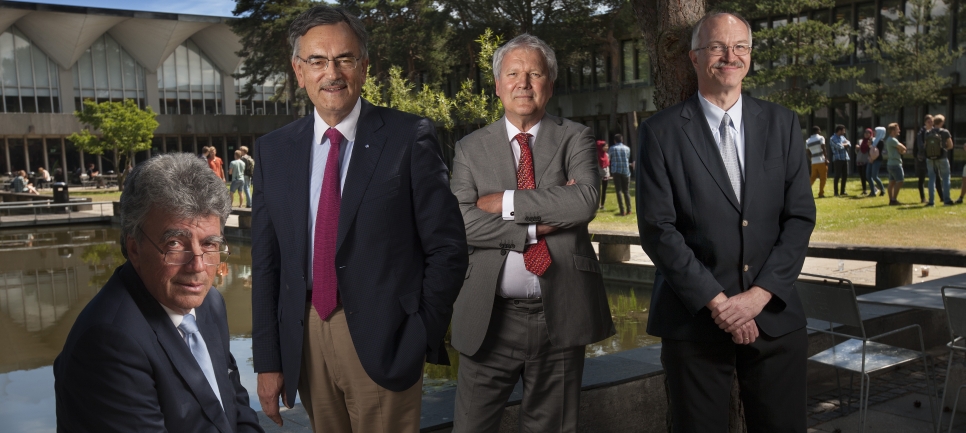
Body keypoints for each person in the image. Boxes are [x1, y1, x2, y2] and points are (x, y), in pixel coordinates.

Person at [251, 6, 467, 432]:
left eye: (344, 59)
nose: (331, 72)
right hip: (306, 335)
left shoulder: (410, 137)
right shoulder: (273, 151)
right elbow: (266, 262)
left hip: (385, 335)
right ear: (298, 70)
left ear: (364, 67)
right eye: (317, 60)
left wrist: (419, 333)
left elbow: (448, 248)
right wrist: (268, 360)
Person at [636, 12, 816, 433]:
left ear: (750, 56)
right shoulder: (659, 133)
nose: (730, 56)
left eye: (741, 47)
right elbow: (658, 230)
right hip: (694, 321)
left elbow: (800, 217)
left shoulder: (782, 123)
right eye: (717, 47)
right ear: (695, 58)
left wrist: (759, 295)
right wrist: (720, 304)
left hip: (775, 317)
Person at [449, 33, 614, 433]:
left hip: (560, 311)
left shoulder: (575, 136)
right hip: (490, 316)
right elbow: (460, 222)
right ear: (498, 86)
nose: (524, 83)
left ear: (550, 85)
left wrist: (503, 201)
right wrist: (535, 227)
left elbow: (584, 202)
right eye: (514, 74)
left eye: (535, 74)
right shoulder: (470, 148)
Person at [53, 153, 262, 433]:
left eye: (210, 244)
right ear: (135, 248)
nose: (197, 265)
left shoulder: (210, 302)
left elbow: (235, 404)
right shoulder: (108, 341)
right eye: (175, 244)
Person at [926, 114, 955, 206]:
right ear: (942, 122)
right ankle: (946, 200)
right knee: (946, 178)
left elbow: (925, 146)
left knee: (931, 178)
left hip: (930, 158)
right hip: (942, 157)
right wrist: (944, 148)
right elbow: (950, 145)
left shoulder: (928, 132)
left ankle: (931, 201)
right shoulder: (945, 132)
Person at [609, 133, 633, 216]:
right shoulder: (627, 148)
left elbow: (609, 158)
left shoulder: (612, 148)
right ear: (622, 140)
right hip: (626, 171)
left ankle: (622, 211)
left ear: (615, 141)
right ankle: (629, 210)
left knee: (618, 191)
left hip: (616, 171)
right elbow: (627, 158)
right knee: (626, 191)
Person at [884, 122, 907, 205]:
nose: (899, 131)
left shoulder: (889, 140)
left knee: (892, 183)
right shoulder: (893, 140)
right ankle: (893, 199)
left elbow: (902, 150)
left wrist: (900, 150)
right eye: (897, 129)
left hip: (890, 164)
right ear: (893, 130)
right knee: (900, 181)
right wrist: (901, 150)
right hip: (895, 164)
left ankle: (891, 200)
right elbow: (904, 148)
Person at [914, 115, 935, 203]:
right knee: (921, 178)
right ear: (925, 122)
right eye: (928, 122)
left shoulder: (934, 131)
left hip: (933, 157)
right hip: (922, 158)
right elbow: (920, 146)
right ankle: (923, 198)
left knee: (935, 177)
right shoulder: (921, 133)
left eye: (931, 122)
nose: (930, 124)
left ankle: (939, 197)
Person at [806, 125, 828, 198]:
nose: (820, 132)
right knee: (823, 178)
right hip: (821, 160)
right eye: (820, 130)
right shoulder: (821, 138)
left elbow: (808, 152)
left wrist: (811, 159)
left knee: (812, 177)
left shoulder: (808, 141)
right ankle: (821, 193)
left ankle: (805, 191)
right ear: (817, 131)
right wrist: (826, 158)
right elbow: (823, 148)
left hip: (813, 162)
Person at [829, 124, 851, 196]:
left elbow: (849, 143)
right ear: (839, 131)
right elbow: (838, 147)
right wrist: (845, 144)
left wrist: (845, 143)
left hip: (845, 158)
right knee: (837, 175)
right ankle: (836, 192)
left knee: (845, 175)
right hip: (838, 159)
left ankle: (843, 191)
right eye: (843, 130)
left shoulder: (842, 137)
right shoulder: (832, 138)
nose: (844, 132)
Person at [868, 126, 886, 197]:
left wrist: (873, 158)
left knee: (874, 176)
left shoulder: (880, 141)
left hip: (877, 160)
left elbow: (877, 152)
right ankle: (873, 191)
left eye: (876, 131)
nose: (874, 132)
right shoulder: (874, 140)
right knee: (868, 175)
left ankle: (882, 189)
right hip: (871, 159)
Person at [856, 128, 872, 195]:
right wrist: (856, 148)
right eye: (865, 132)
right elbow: (857, 151)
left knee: (865, 176)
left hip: (867, 160)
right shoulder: (860, 141)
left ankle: (873, 187)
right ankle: (864, 190)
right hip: (860, 159)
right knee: (862, 176)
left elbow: (872, 150)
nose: (866, 134)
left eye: (868, 133)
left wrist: (869, 146)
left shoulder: (872, 141)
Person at [597, 139, 610, 210]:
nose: (607, 147)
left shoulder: (607, 155)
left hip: (605, 175)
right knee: (598, 190)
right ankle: (597, 204)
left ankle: (602, 205)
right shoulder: (596, 155)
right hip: (598, 174)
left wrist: (608, 174)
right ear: (601, 147)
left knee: (604, 190)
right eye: (605, 146)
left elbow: (607, 165)